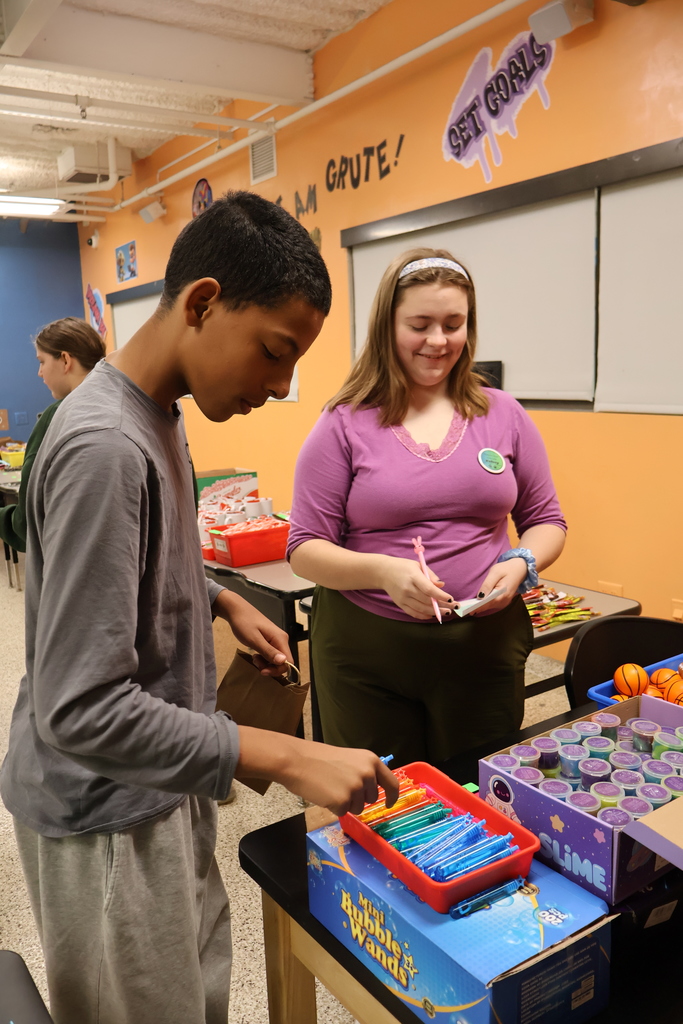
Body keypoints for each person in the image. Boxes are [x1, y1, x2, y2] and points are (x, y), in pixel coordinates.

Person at [0, 192, 398, 1024]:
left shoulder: (158, 416)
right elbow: (80, 707)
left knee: (195, 991)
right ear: (203, 302)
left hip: (160, 782)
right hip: (103, 811)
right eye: (275, 351)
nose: (283, 385)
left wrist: (218, 599)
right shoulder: (104, 446)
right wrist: (285, 755)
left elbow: (128, 565)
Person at [288, 248, 567, 767]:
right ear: (387, 326)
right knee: (385, 805)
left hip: (481, 646)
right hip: (367, 652)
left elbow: (546, 521)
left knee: (480, 792)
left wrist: (520, 561)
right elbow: (304, 550)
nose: (438, 341)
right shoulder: (343, 423)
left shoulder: (502, 413)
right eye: (420, 324)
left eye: (453, 324)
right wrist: (384, 572)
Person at [0, 317, 106, 552]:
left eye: (42, 361)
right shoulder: (124, 404)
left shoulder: (56, 417)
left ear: (65, 360)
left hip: (72, 561)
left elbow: (26, 526)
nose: (39, 372)